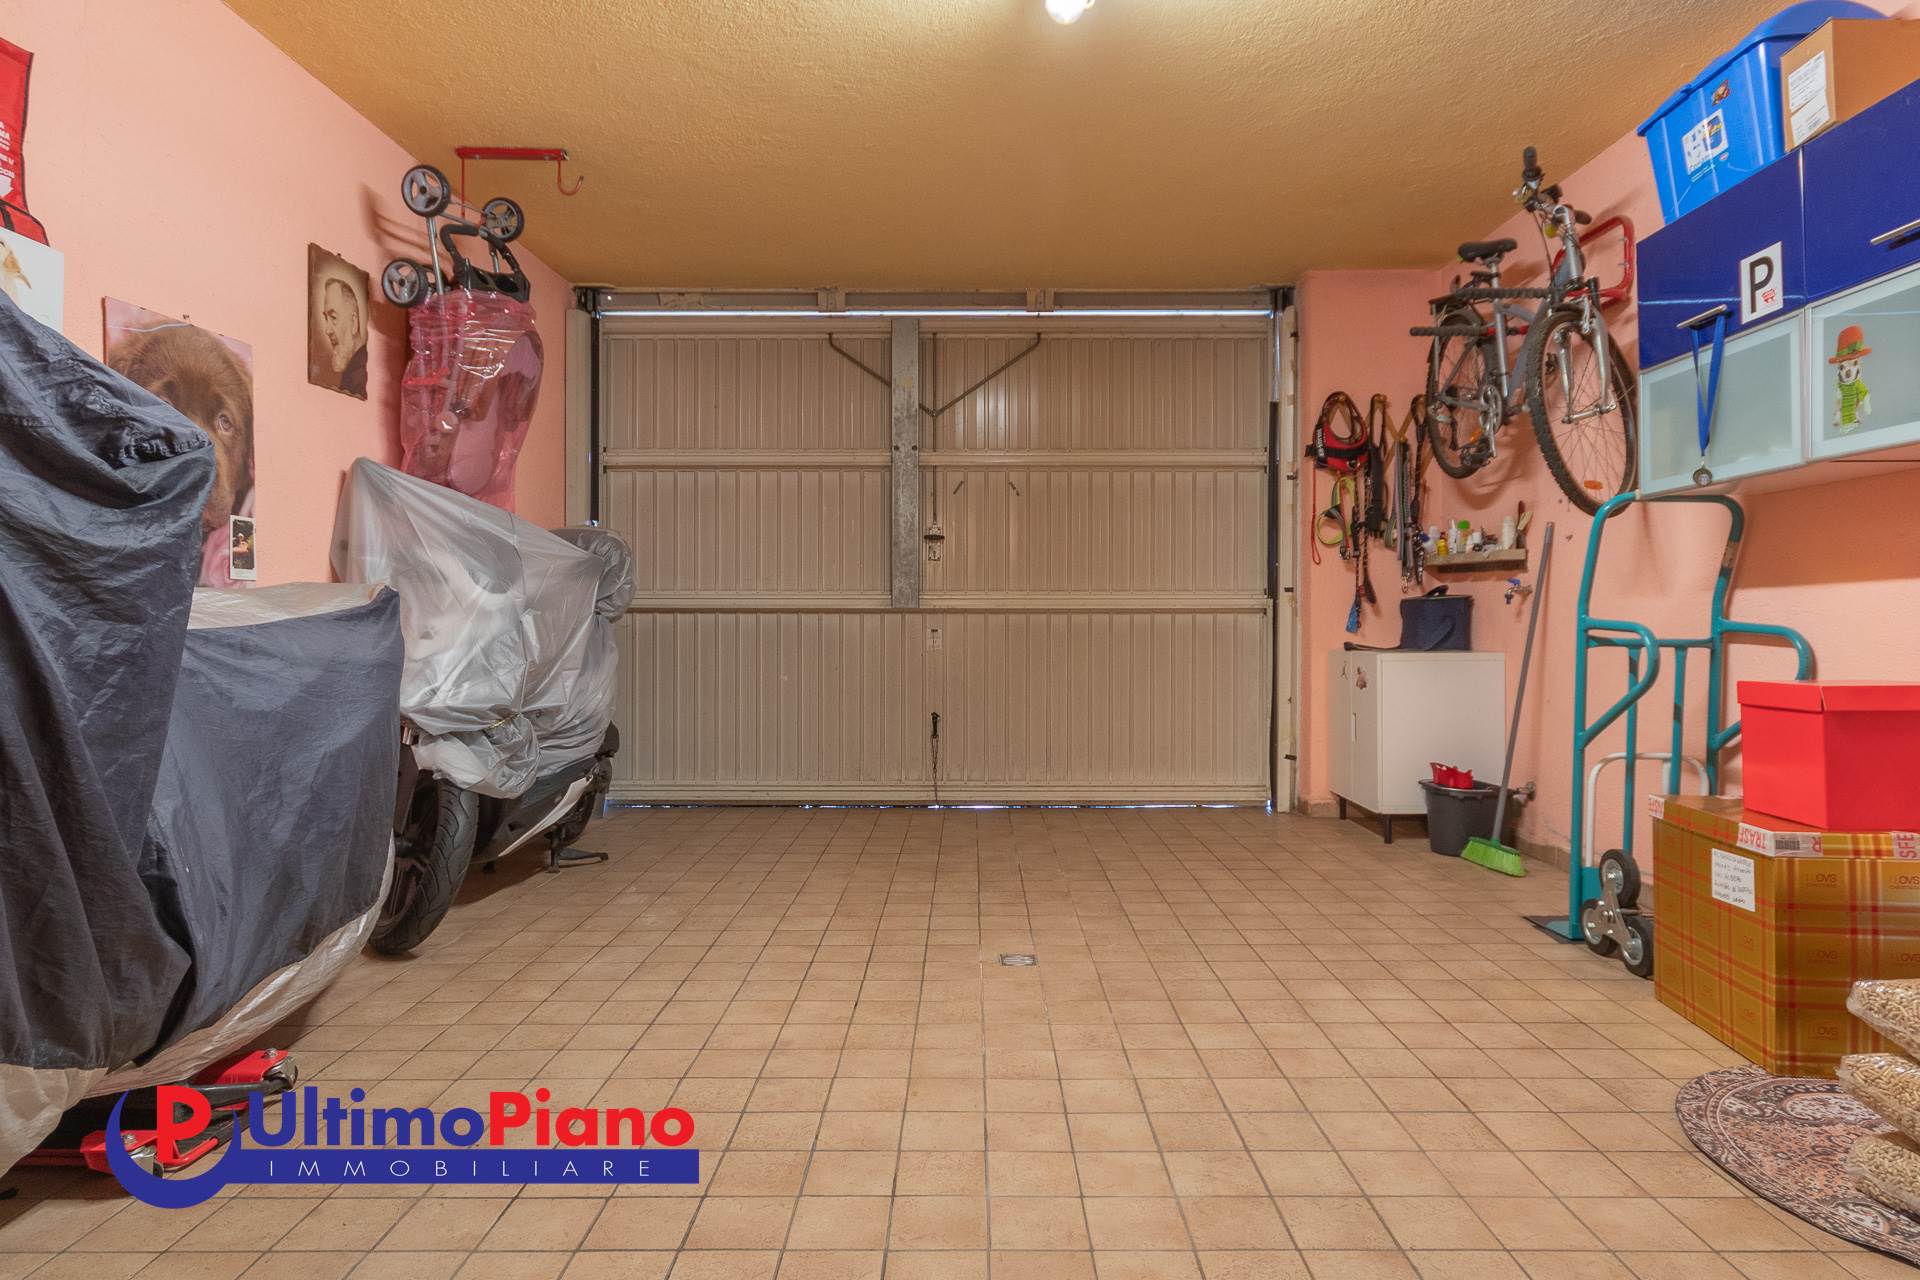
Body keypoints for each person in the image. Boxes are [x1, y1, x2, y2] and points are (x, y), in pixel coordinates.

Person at [319, 274, 367, 396]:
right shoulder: (352, 375)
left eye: (334, 317)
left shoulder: (359, 378)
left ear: (354, 323)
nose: (327, 330)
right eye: (326, 318)